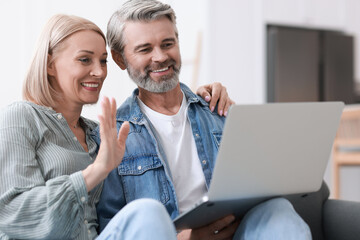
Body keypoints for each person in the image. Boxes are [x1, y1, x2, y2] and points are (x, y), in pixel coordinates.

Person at [95, 0, 313, 239]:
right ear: (119, 59)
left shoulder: (216, 109)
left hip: (232, 232)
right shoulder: (112, 134)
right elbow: (113, 227)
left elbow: (255, 189)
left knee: (278, 209)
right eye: (144, 49)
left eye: (168, 44)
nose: (160, 57)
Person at [0, 13, 228, 240]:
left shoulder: (96, 134)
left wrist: (206, 100)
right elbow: (12, 213)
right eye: (84, 59)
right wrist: (96, 170)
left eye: (102, 61)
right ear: (50, 65)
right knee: (149, 212)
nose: (99, 72)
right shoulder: (21, 117)